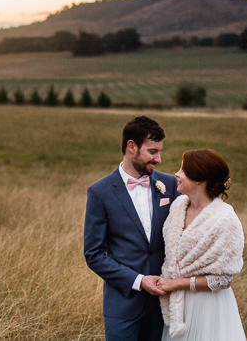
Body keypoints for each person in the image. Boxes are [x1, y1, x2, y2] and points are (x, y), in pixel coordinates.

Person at [84, 116, 178, 340]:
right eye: (153, 152)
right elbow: (94, 254)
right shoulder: (100, 192)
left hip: (163, 306)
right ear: (131, 147)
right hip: (122, 307)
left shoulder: (170, 185)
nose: (159, 159)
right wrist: (138, 280)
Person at [157, 149, 245, 341]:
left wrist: (176, 283)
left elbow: (224, 280)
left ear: (199, 179)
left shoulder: (225, 219)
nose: (176, 174)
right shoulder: (178, 206)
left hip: (208, 305)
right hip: (178, 304)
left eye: (183, 170)